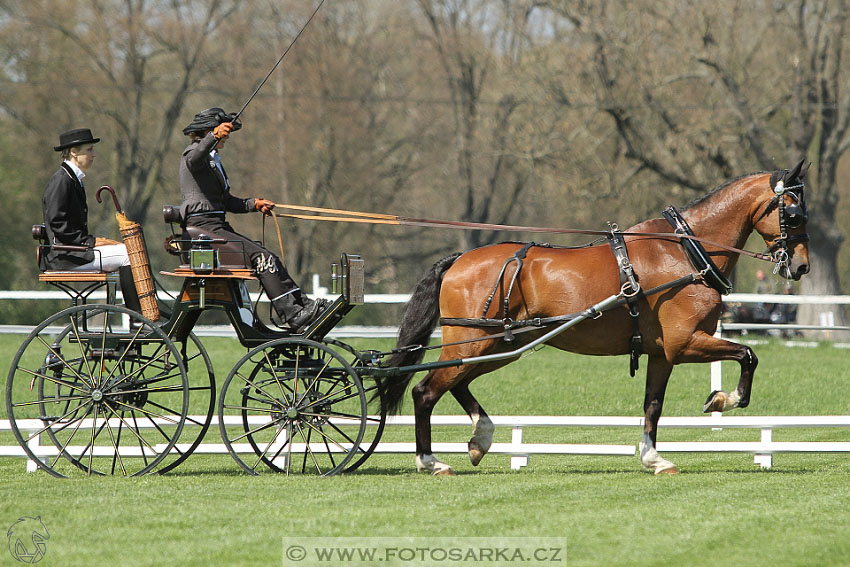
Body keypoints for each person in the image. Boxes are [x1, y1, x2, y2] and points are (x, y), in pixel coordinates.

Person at [179, 107, 328, 331]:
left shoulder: (213, 161)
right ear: (208, 131)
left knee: (266, 255)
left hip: (216, 226)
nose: (226, 140)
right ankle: (293, 314)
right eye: (221, 134)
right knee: (262, 257)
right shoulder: (192, 154)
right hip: (204, 229)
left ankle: (301, 304)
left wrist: (253, 204)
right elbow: (194, 160)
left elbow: (226, 202)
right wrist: (214, 136)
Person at [42, 128, 142, 313]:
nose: (94, 154)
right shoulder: (62, 181)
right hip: (65, 257)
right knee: (128, 254)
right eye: (89, 150)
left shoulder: (72, 179)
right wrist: (90, 242)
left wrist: (93, 242)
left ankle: (137, 312)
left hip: (73, 252)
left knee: (127, 250)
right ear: (74, 152)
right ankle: (136, 316)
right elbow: (57, 223)